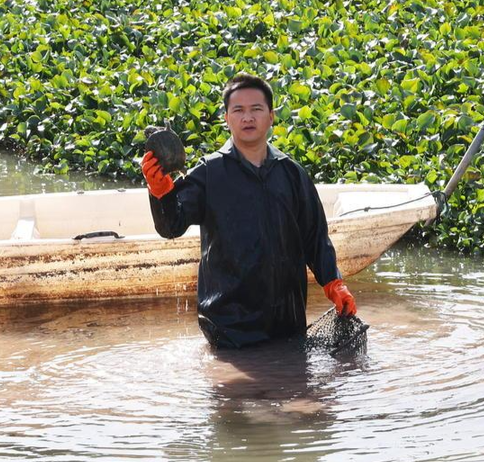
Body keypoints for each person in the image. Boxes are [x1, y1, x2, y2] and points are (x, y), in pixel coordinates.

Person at [141, 75, 357, 349]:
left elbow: (315, 237)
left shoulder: (291, 174)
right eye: (238, 110)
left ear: (271, 117)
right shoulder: (209, 173)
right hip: (228, 328)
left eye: (256, 109)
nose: (248, 118)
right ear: (226, 118)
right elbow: (172, 225)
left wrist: (333, 283)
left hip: (286, 322)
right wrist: (161, 192)